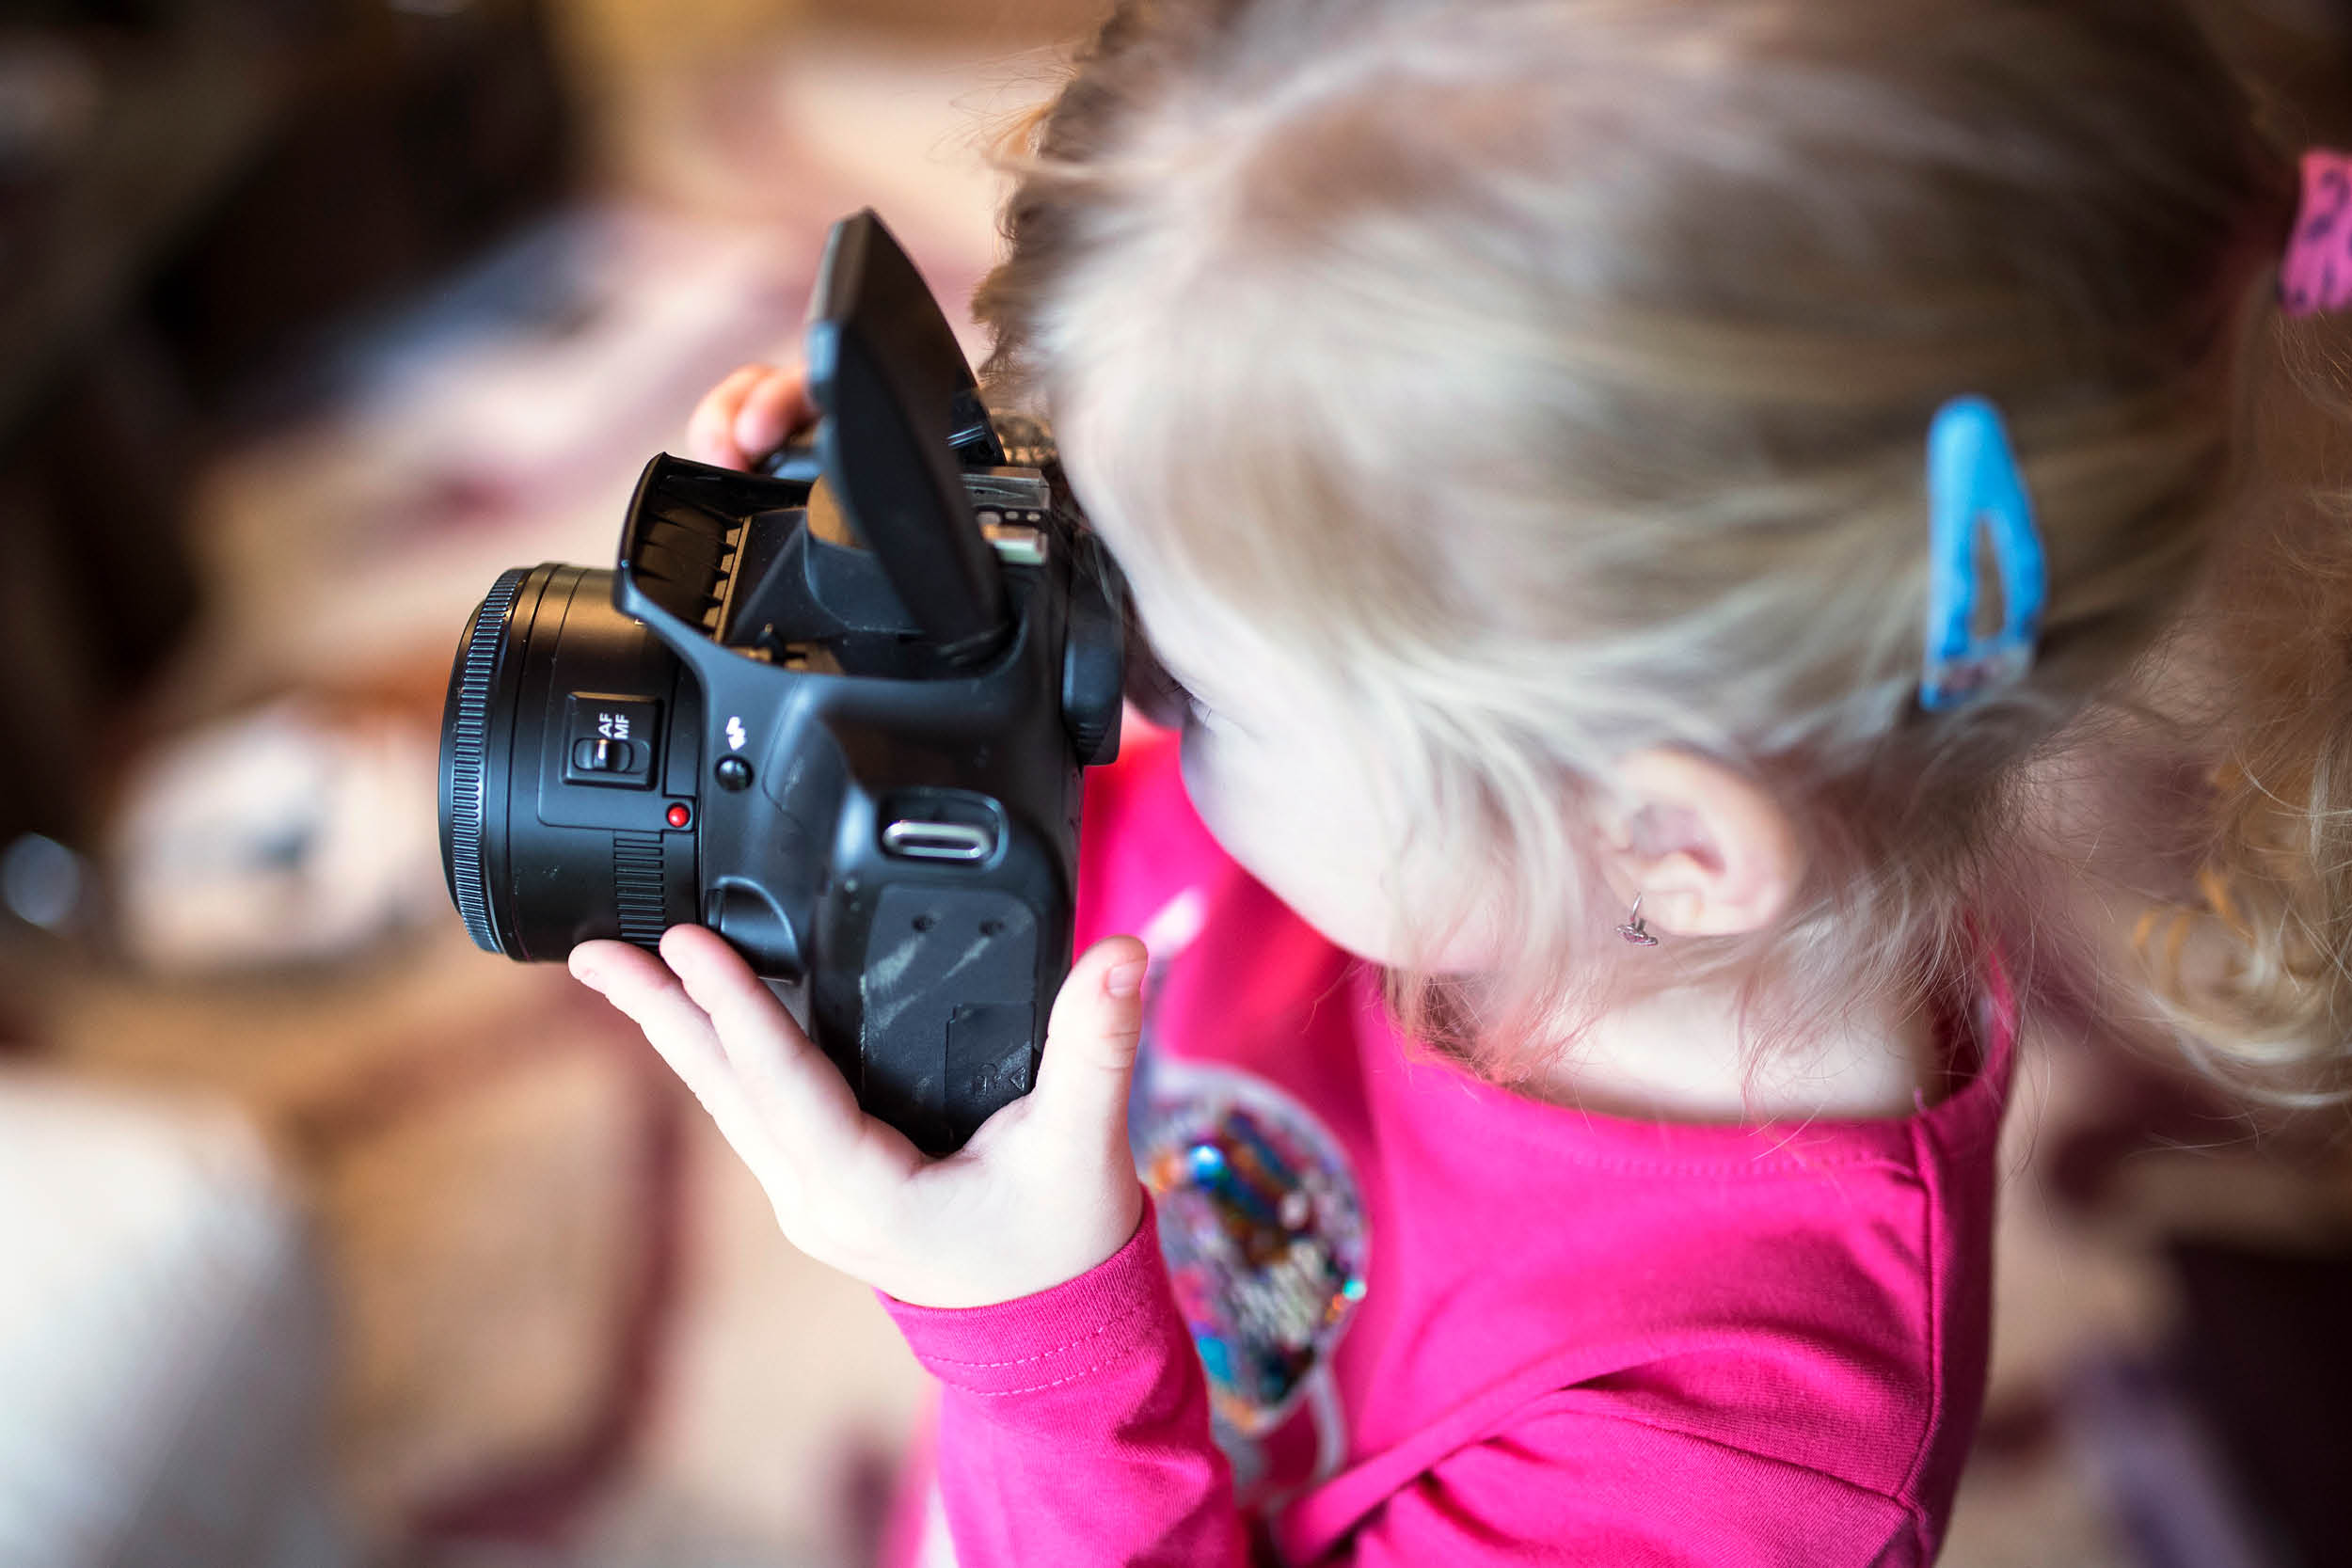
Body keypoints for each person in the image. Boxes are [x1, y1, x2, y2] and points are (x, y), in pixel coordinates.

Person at [570, 1, 2352, 1560]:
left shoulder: (1738, 1454)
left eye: (1186, 683)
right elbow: (1092, 871)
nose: (1125, 705)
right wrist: (882, 686)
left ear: (1666, 841)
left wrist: (1032, 1344)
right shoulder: (1470, 816)